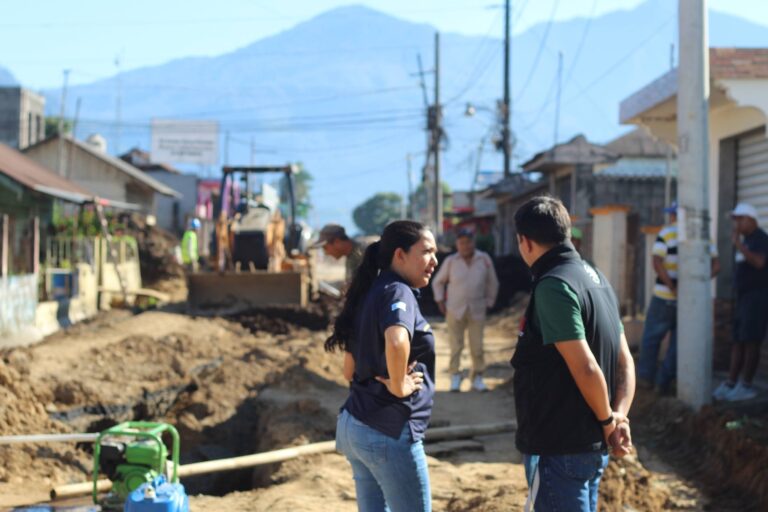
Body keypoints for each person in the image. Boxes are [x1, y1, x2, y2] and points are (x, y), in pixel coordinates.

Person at [511, 196, 634, 512]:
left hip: (561, 443)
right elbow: (625, 360)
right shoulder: (595, 277)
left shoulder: (554, 285)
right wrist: (619, 415)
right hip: (587, 443)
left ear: (525, 242)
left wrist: (609, 420)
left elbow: (587, 368)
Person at [325, 220, 437, 512]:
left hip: (354, 426)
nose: (434, 261)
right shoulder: (398, 292)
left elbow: (348, 371)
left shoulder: (369, 293)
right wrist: (399, 384)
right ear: (399, 255)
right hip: (386, 430)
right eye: (426, 252)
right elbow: (397, 340)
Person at [638, 202, 719, 394]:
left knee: (651, 338)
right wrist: (696, 287)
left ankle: (646, 379)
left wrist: (672, 286)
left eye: (672, 215)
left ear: (676, 216)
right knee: (678, 342)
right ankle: (664, 382)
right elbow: (717, 266)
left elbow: (657, 262)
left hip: (664, 296)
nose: (671, 218)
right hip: (689, 302)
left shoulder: (666, 233)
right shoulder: (703, 236)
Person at [431, 228, 499, 392]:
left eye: (468, 242)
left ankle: (477, 378)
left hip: (477, 308)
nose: (465, 246)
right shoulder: (451, 261)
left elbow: (493, 283)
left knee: (477, 347)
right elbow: (437, 282)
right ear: (457, 244)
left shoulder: (484, 259)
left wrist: (490, 301)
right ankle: (455, 377)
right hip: (454, 309)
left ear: (473, 242)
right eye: (462, 243)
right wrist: (440, 300)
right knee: (456, 346)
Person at [713, 203, 768, 402]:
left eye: (740, 219)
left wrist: (739, 245)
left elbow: (760, 262)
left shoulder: (760, 239)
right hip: (743, 298)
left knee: (751, 341)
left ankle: (746, 385)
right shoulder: (747, 240)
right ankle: (731, 382)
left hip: (757, 299)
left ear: (751, 219)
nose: (736, 224)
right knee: (738, 340)